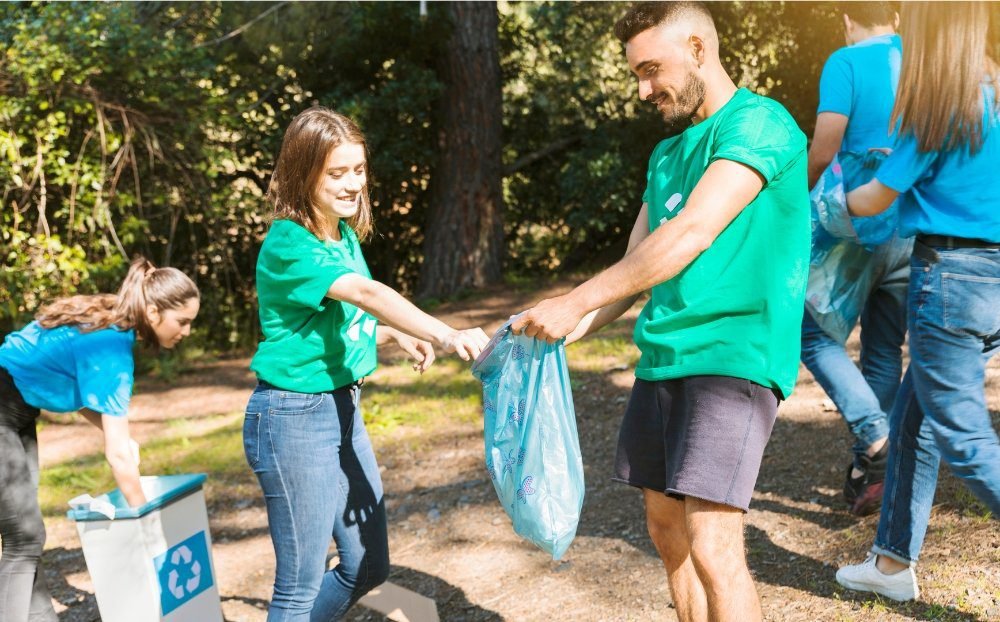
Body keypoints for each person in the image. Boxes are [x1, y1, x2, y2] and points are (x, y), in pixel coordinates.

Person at [513, 3, 810, 620]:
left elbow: (690, 234)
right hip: (663, 358)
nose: (643, 90)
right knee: (666, 531)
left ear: (700, 48)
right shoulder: (666, 155)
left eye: (652, 70)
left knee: (712, 541)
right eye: (636, 75)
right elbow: (634, 271)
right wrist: (554, 330)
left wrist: (572, 301)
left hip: (734, 357)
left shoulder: (758, 125)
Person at [245, 106, 489, 621]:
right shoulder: (290, 241)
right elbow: (363, 291)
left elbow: (330, 324)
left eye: (358, 169)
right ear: (301, 173)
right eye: (337, 172)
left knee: (367, 564)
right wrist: (442, 332)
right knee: (299, 583)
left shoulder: (343, 235)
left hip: (341, 409)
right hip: (291, 416)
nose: (353, 182)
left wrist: (392, 333)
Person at [835, 1, 1000, 602]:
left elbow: (876, 199)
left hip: (951, 282)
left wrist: (830, 200)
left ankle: (891, 563)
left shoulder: (938, 103)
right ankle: (890, 565)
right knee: (913, 419)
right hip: (993, 278)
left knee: (964, 436)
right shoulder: (992, 91)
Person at [0, 258, 200, 622]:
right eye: (182, 321)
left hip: (17, 412)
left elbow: (83, 398)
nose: (186, 331)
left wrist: (117, 436)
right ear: (153, 312)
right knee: (23, 538)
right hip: (4, 410)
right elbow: (118, 459)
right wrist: (146, 519)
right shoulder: (111, 348)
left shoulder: (112, 321)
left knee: (26, 537)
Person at [801, 1, 909, 516]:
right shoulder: (922, 57)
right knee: (884, 349)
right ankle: (870, 474)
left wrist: (792, 203)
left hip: (859, 221)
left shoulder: (845, 62)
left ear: (847, 20)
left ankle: (874, 436)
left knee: (811, 332)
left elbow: (824, 150)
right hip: (914, 219)